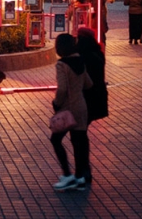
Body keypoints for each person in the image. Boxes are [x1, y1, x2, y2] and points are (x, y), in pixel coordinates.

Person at [49, 33, 93, 191]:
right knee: (79, 142)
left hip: (67, 108)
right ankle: (80, 177)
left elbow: (62, 89)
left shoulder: (62, 65)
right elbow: (88, 84)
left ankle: (67, 175)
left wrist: (56, 103)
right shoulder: (80, 61)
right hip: (81, 107)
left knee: (55, 139)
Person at [78, 27, 106, 185]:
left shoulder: (82, 56)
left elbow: (84, 81)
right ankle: (83, 169)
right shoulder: (98, 54)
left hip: (84, 99)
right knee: (81, 133)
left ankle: (82, 169)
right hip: (97, 98)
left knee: (79, 135)